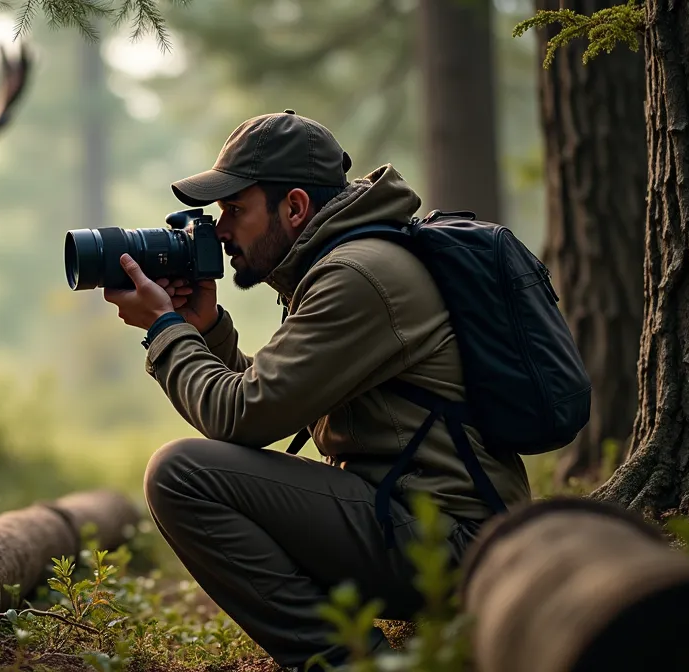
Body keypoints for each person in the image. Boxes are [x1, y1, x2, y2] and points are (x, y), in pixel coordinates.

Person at [101, 110, 532, 668]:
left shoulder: (357, 276)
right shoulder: (344, 262)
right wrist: (206, 329)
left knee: (180, 474)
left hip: (455, 544)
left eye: (235, 209)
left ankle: (353, 664)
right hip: (431, 525)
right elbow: (281, 395)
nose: (221, 230)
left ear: (296, 207)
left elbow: (242, 416)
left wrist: (165, 330)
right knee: (196, 472)